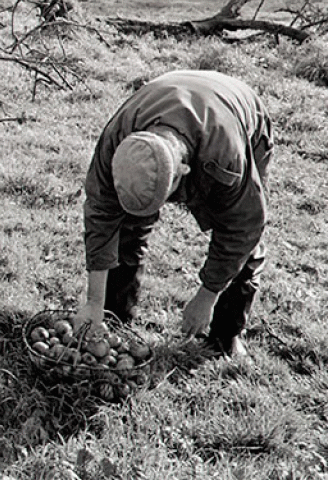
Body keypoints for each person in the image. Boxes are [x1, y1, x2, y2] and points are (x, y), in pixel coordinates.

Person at [73, 70, 273, 359]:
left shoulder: (226, 157)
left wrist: (207, 295)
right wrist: (93, 301)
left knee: (243, 245)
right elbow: (101, 215)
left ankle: (226, 336)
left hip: (240, 115)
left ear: (183, 173)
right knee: (128, 227)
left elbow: (244, 228)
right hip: (170, 98)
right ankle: (115, 315)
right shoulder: (117, 140)